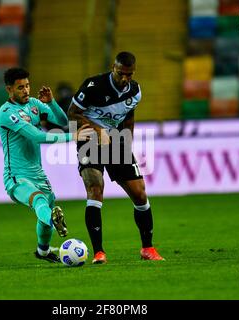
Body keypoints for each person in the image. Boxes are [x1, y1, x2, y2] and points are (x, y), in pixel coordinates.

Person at [67, 52, 165, 264]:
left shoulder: (135, 91)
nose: (125, 79)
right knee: (95, 187)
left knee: (139, 193)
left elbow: (129, 115)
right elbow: (72, 113)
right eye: (121, 74)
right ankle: (98, 252)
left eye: (129, 75)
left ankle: (147, 248)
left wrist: (126, 142)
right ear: (114, 68)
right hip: (89, 139)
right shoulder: (93, 86)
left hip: (116, 140)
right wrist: (97, 129)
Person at [0, 67, 93, 263]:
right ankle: (54, 221)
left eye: (27, 86)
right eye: (20, 87)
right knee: (39, 200)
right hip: (16, 176)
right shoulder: (6, 113)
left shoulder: (33, 104)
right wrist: (72, 136)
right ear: (9, 89)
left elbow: (61, 120)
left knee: (46, 210)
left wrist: (51, 102)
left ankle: (43, 251)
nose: (26, 90)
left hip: (37, 173)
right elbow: (37, 136)